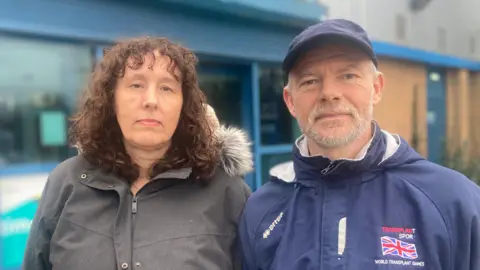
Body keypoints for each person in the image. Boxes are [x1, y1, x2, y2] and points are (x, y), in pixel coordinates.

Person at [239, 19, 480, 270]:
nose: (329, 92)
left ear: (376, 87)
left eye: (348, 75)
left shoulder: (454, 202)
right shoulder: (261, 213)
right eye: (310, 80)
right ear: (289, 101)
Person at [23, 37, 253, 270]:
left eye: (166, 88)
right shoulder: (66, 182)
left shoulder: (226, 192)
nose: (151, 101)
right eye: (136, 85)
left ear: (184, 105)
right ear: (111, 99)